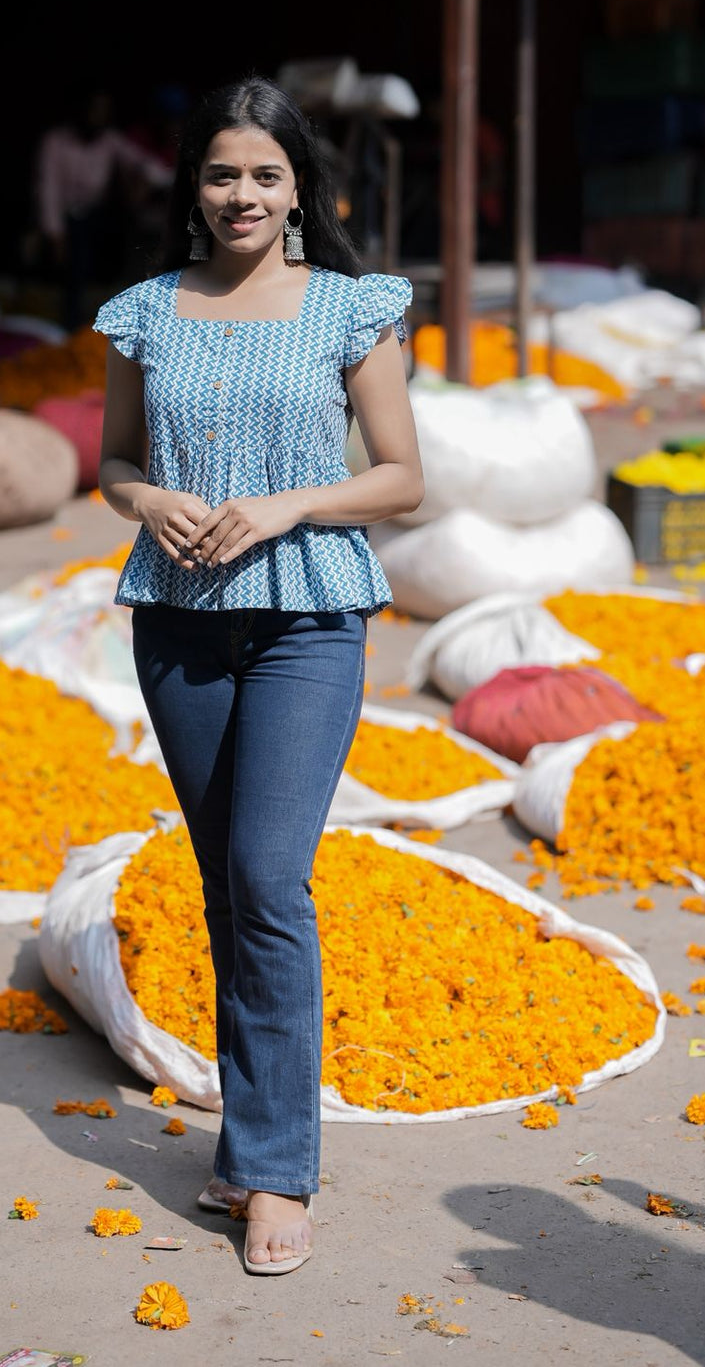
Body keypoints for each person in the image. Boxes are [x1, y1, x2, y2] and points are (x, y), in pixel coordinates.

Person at [95, 75, 424, 1277]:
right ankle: (247, 1139)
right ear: (193, 183)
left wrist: (285, 505)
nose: (242, 193)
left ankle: (280, 1167)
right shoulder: (143, 310)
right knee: (225, 888)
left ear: (300, 190)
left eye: (265, 175)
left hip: (309, 621)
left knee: (268, 878)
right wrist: (149, 497)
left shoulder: (348, 308)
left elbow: (401, 477)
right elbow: (113, 461)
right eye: (222, 172)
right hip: (175, 624)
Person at [33, 86, 173, 331]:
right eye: (94, 110)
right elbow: (49, 190)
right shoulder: (56, 141)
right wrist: (55, 234)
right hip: (68, 219)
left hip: (98, 215)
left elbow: (144, 165)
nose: (98, 116)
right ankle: (71, 326)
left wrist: (179, 180)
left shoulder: (110, 140)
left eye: (103, 111)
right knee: (74, 269)